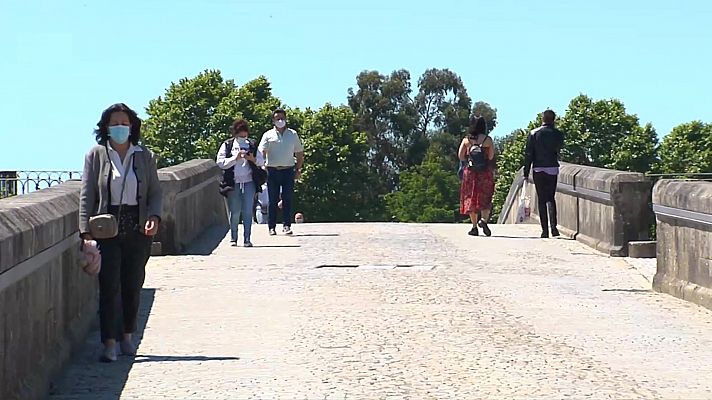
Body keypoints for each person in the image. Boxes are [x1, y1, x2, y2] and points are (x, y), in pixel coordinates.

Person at [79, 103, 162, 362]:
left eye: (124, 124)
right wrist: (85, 232)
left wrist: (154, 216)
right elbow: (87, 195)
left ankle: (127, 334)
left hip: (136, 224)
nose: (119, 128)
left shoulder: (144, 155)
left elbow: (155, 192)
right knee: (109, 285)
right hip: (106, 226)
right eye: (114, 123)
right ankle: (110, 342)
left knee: (132, 283)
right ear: (105, 127)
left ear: (132, 127)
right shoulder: (96, 155)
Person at [216, 119, 265, 247]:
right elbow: (221, 163)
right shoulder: (228, 145)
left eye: (245, 135)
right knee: (235, 210)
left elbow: (261, 161)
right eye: (240, 136)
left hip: (249, 181)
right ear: (235, 134)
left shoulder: (252, 144)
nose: (243, 138)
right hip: (233, 182)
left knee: (248, 210)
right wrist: (235, 158)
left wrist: (251, 159)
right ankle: (233, 237)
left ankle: (247, 239)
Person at [258, 109, 304, 236]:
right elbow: (261, 151)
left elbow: (299, 153)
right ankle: (271, 227)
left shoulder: (292, 134)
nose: (280, 120)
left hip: (288, 170)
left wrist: (298, 169)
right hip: (272, 170)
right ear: (273, 120)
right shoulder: (268, 135)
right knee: (272, 200)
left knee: (287, 198)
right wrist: (262, 166)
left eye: (282, 118)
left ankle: (286, 225)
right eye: (277, 118)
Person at [523, 109, 565, 238]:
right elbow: (559, 148)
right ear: (553, 120)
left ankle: (544, 230)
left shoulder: (534, 133)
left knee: (541, 199)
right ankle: (554, 228)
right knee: (550, 198)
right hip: (552, 167)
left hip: (538, 168)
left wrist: (526, 171)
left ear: (543, 119)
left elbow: (529, 153)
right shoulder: (558, 134)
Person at [458, 116, 495, 236]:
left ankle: (474, 227)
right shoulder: (488, 140)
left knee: (471, 198)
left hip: (470, 173)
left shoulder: (466, 140)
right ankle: (483, 220)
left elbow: (460, 156)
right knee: (485, 197)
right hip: (485, 172)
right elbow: (490, 157)